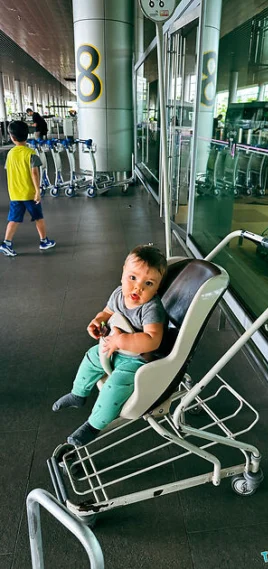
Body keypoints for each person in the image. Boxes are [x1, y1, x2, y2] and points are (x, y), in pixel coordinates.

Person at [52, 245, 168, 447]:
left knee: (114, 386)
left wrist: (121, 341)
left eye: (148, 283)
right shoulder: (118, 294)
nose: (137, 288)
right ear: (123, 272)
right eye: (132, 278)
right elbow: (107, 312)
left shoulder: (151, 309)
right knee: (91, 356)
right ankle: (78, 393)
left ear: (157, 287)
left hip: (136, 360)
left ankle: (93, 425)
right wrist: (98, 321)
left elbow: (153, 339)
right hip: (114, 346)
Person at [0, 120, 56, 257]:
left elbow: (9, 170)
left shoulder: (10, 154)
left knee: (14, 219)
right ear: (27, 135)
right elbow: (34, 173)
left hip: (15, 194)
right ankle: (44, 241)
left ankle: (6, 242)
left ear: (12, 138)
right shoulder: (30, 153)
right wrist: (38, 191)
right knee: (38, 217)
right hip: (30, 194)